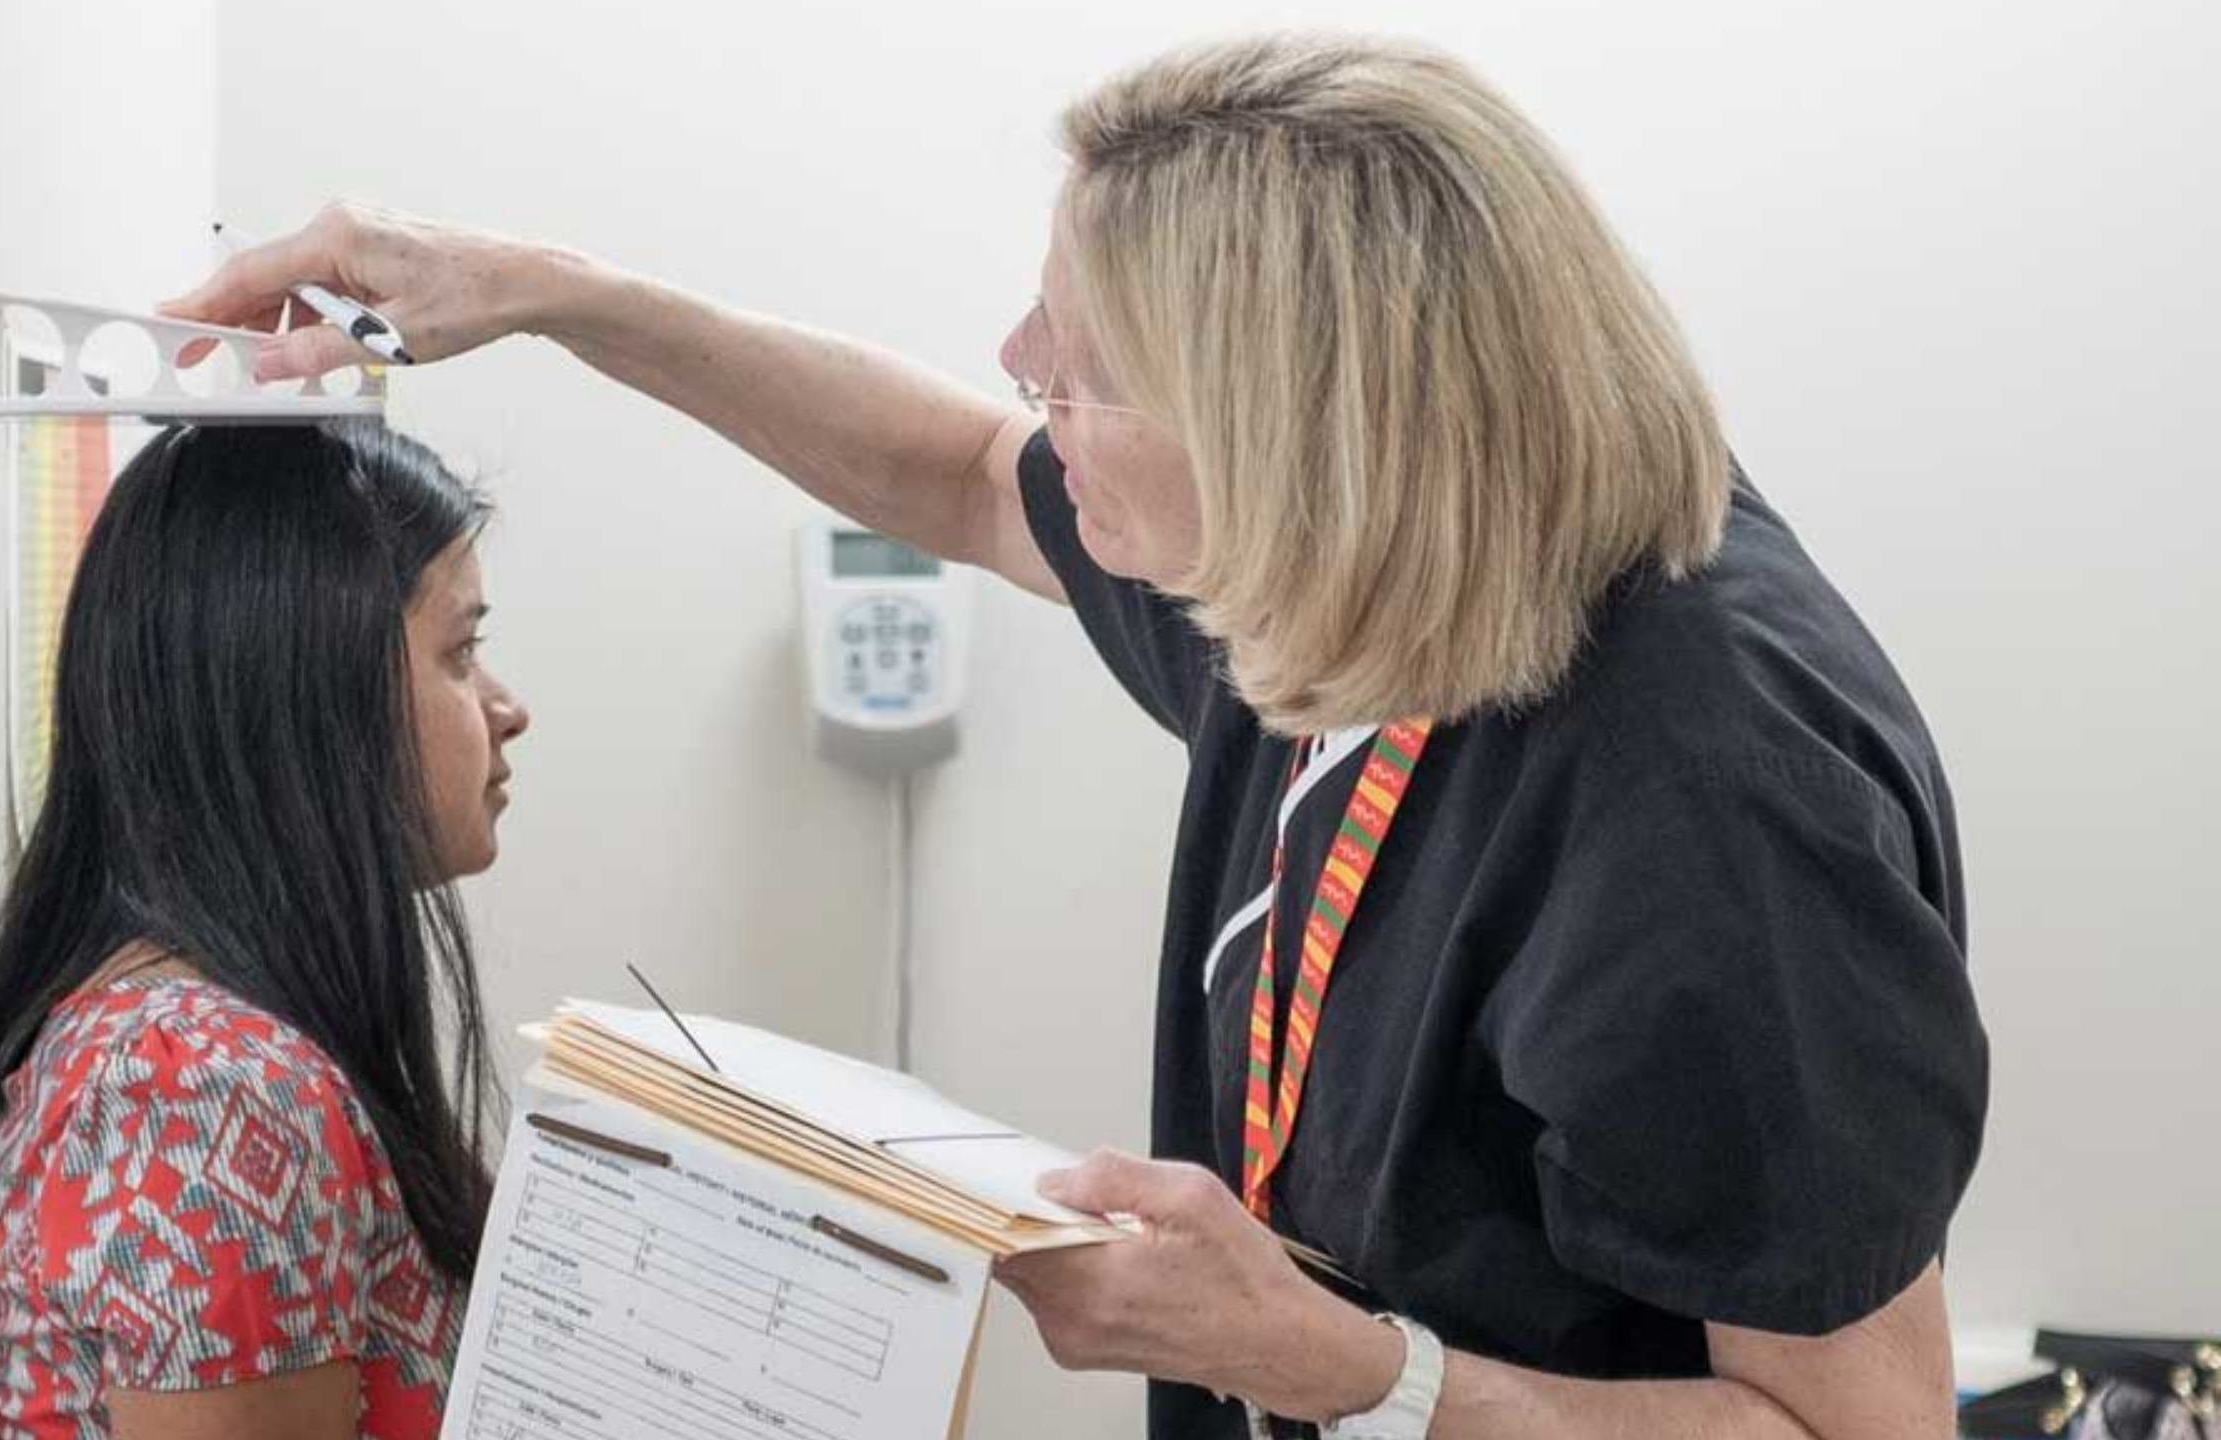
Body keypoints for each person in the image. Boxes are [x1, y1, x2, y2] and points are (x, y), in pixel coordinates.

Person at [167, 32, 1988, 1440]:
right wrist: (557, 296)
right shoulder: (1353, 565)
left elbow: (1860, 1428)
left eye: (1080, 370)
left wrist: (1365, 1373)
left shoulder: (1712, 798)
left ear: (1299, 437)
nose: (1018, 370)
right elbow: (956, 475)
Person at [0, 422, 532, 1440]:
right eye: (460, 650)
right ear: (311, 685)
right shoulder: (199, 1094)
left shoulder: (225, 1057)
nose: (505, 707)